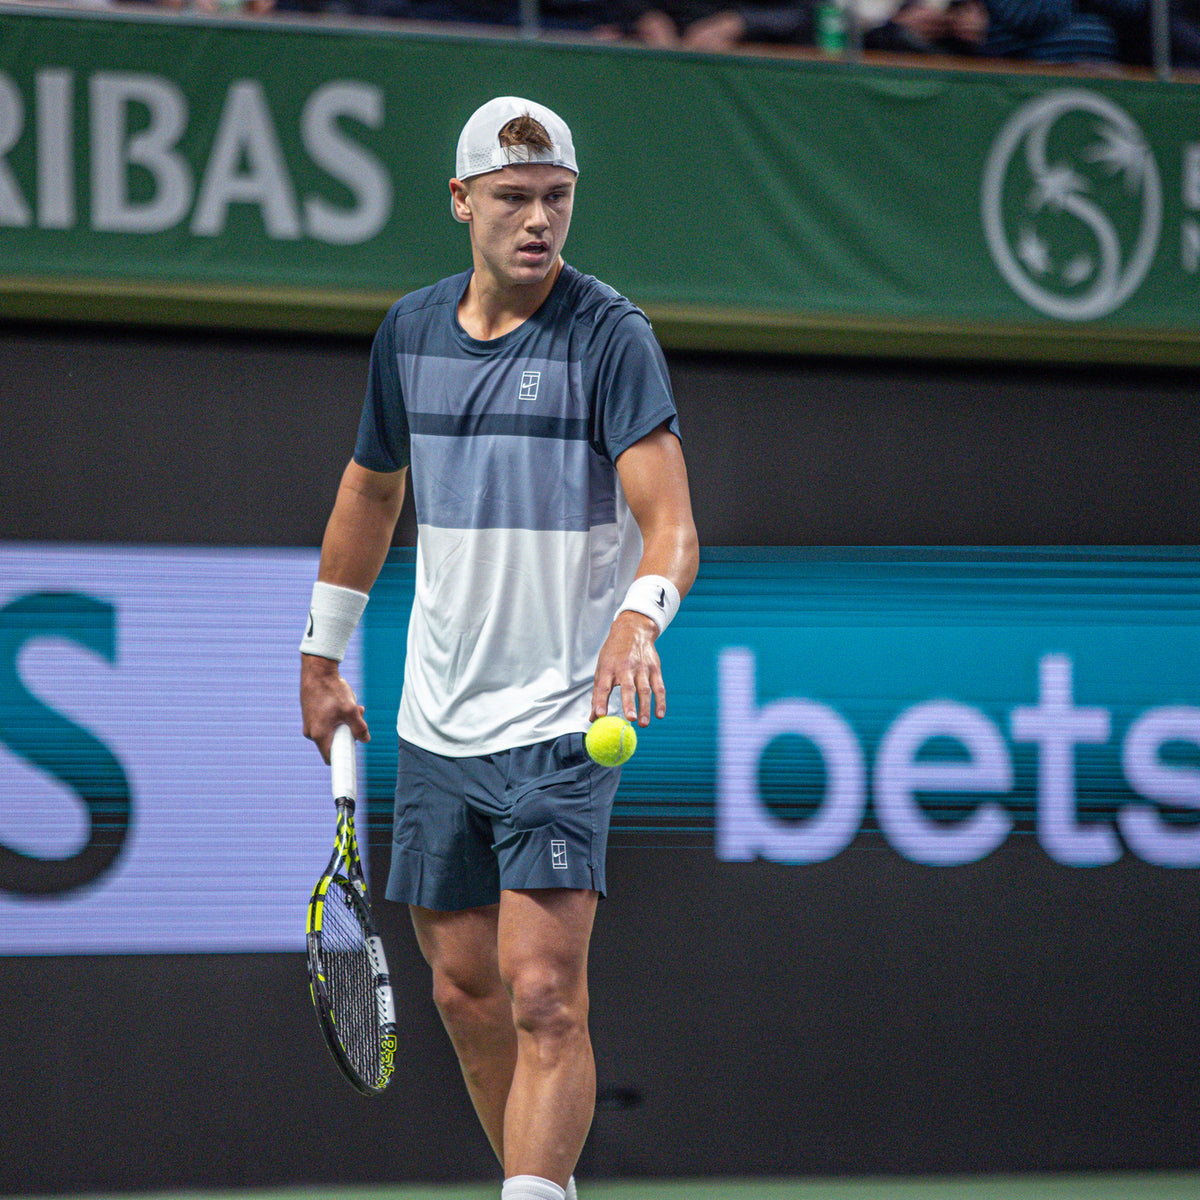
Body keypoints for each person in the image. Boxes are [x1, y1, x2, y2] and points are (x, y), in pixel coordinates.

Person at [299, 96, 699, 1200]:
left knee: (543, 994)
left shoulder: (611, 337)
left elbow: (670, 522)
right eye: (514, 198)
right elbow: (372, 492)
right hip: (437, 722)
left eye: (557, 199)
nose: (538, 221)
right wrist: (322, 656)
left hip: (563, 722)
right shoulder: (409, 333)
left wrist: (639, 615)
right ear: (461, 201)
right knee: (464, 995)